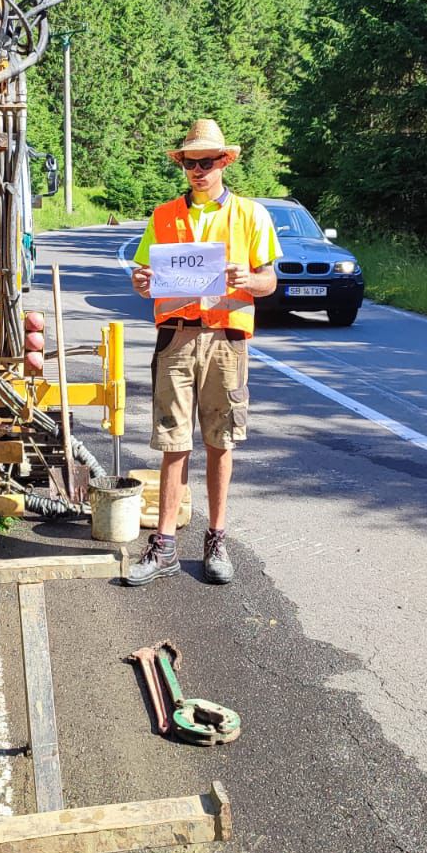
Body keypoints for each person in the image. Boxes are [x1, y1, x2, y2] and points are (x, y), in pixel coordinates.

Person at [127, 119, 281, 586]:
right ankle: (166, 546)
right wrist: (140, 283)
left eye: (207, 162)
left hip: (227, 341)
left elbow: (270, 282)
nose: (199, 170)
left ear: (224, 162)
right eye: (191, 162)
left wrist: (246, 280)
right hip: (175, 335)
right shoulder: (163, 216)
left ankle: (216, 539)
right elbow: (142, 277)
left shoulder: (251, 215)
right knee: (173, 441)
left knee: (221, 440)